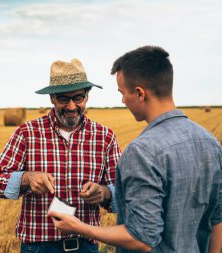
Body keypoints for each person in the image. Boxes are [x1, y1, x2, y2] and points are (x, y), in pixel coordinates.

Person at [48, 46, 222, 253]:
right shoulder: (210, 142)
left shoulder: (142, 151)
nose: (122, 101)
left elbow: (142, 238)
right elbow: (217, 221)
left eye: (122, 93)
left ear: (139, 93)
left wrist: (81, 228)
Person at [0, 58, 121, 252]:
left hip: (85, 246)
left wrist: (104, 193)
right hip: (39, 247)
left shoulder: (105, 137)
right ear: (51, 98)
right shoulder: (27, 133)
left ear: (87, 96)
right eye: (63, 99)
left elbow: (122, 191)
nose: (71, 107)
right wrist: (27, 178)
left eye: (78, 98)